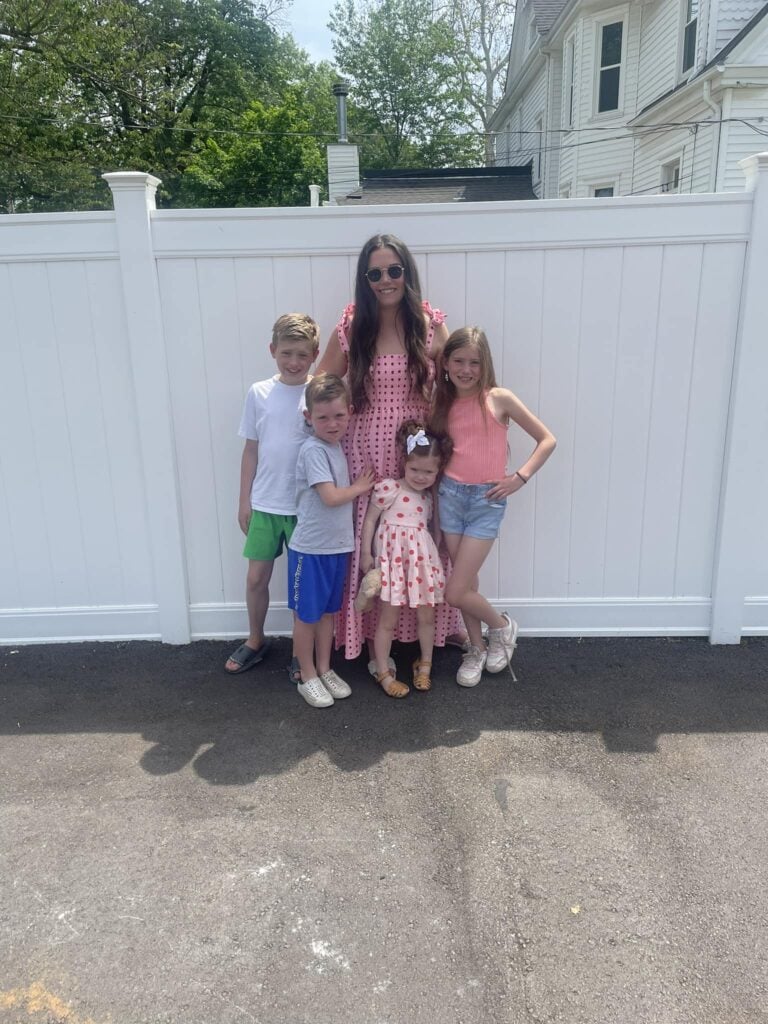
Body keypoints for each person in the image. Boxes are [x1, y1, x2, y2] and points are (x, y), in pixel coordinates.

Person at [317, 233, 466, 667]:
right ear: (365, 280)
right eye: (376, 273)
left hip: (416, 451)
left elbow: (462, 371)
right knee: (374, 539)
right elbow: (320, 383)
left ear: (407, 274)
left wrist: (482, 418)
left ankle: (425, 631)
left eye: (394, 271)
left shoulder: (426, 322)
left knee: (420, 536)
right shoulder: (351, 325)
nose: (386, 280)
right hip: (365, 453)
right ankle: (367, 634)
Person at [430, 326, 557, 687]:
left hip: (486, 502)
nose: (466, 369)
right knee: (467, 581)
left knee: (455, 591)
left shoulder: (499, 398)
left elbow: (547, 440)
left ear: (485, 364)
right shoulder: (440, 402)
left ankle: (501, 626)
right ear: (446, 363)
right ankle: (476, 648)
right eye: (458, 361)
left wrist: (520, 477)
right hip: (450, 498)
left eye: (474, 362)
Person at [224, 313, 318, 675]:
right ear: (272, 350)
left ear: (315, 354)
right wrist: (243, 500)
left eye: (303, 355)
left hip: (304, 509)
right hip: (264, 504)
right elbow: (252, 448)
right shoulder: (259, 392)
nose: (294, 362)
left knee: (301, 588)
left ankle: (301, 652)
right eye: (287, 353)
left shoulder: (318, 391)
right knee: (256, 578)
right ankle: (255, 639)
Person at [288, 373, 375, 708]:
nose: (332, 423)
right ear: (308, 417)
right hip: (310, 550)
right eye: (322, 417)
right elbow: (330, 497)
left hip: (337, 548)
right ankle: (307, 674)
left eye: (339, 415)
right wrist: (359, 488)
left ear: (350, 413)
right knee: (307, 616)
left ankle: (325, 668)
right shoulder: (312, 450)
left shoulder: (336, 446)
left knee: (327, 615)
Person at [359, 420, 454, 698]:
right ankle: (384, 672)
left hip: (421, 566)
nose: (421, 476)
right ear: (404, 463)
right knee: (387, 619)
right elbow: (370, 521)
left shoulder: (428, 498)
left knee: (427, 616)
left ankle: (425, 664)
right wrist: (367, 553)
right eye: (415, 469)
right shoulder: (389, 488)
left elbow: (433, 531)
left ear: (438, 470)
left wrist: (436, 554)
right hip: (393, 565)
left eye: (428, 471)